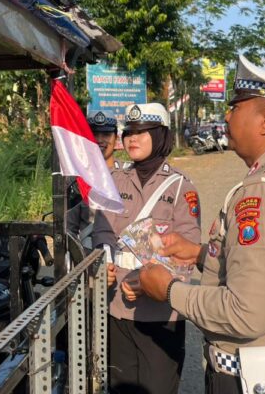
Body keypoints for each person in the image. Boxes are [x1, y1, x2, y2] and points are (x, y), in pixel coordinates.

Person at [139, 55, 265, 394]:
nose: (226, 116)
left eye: (237, 107)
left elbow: (246, 313)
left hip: (261, 379)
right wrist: (201, 254)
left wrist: (169, 291)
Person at [93, 103, 201, 394]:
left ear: (161, 135)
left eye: (142, 132)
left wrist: (147, 279)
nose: (132, 138)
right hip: (118, 307)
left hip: (160, 313)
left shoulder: (180, 187)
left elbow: (187, 252)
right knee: (120, 388)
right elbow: (102, 228)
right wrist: (103, 261)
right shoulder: (113, 180)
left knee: (158, 388)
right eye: (128, 132)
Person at [67, 110, 120, 251]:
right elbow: (69, 230)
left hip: (122, 253)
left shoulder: (128, 176)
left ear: (116, 138)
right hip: (89, 257)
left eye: (106, 134)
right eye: (94, 134)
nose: (100, 140)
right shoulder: (77, 179)